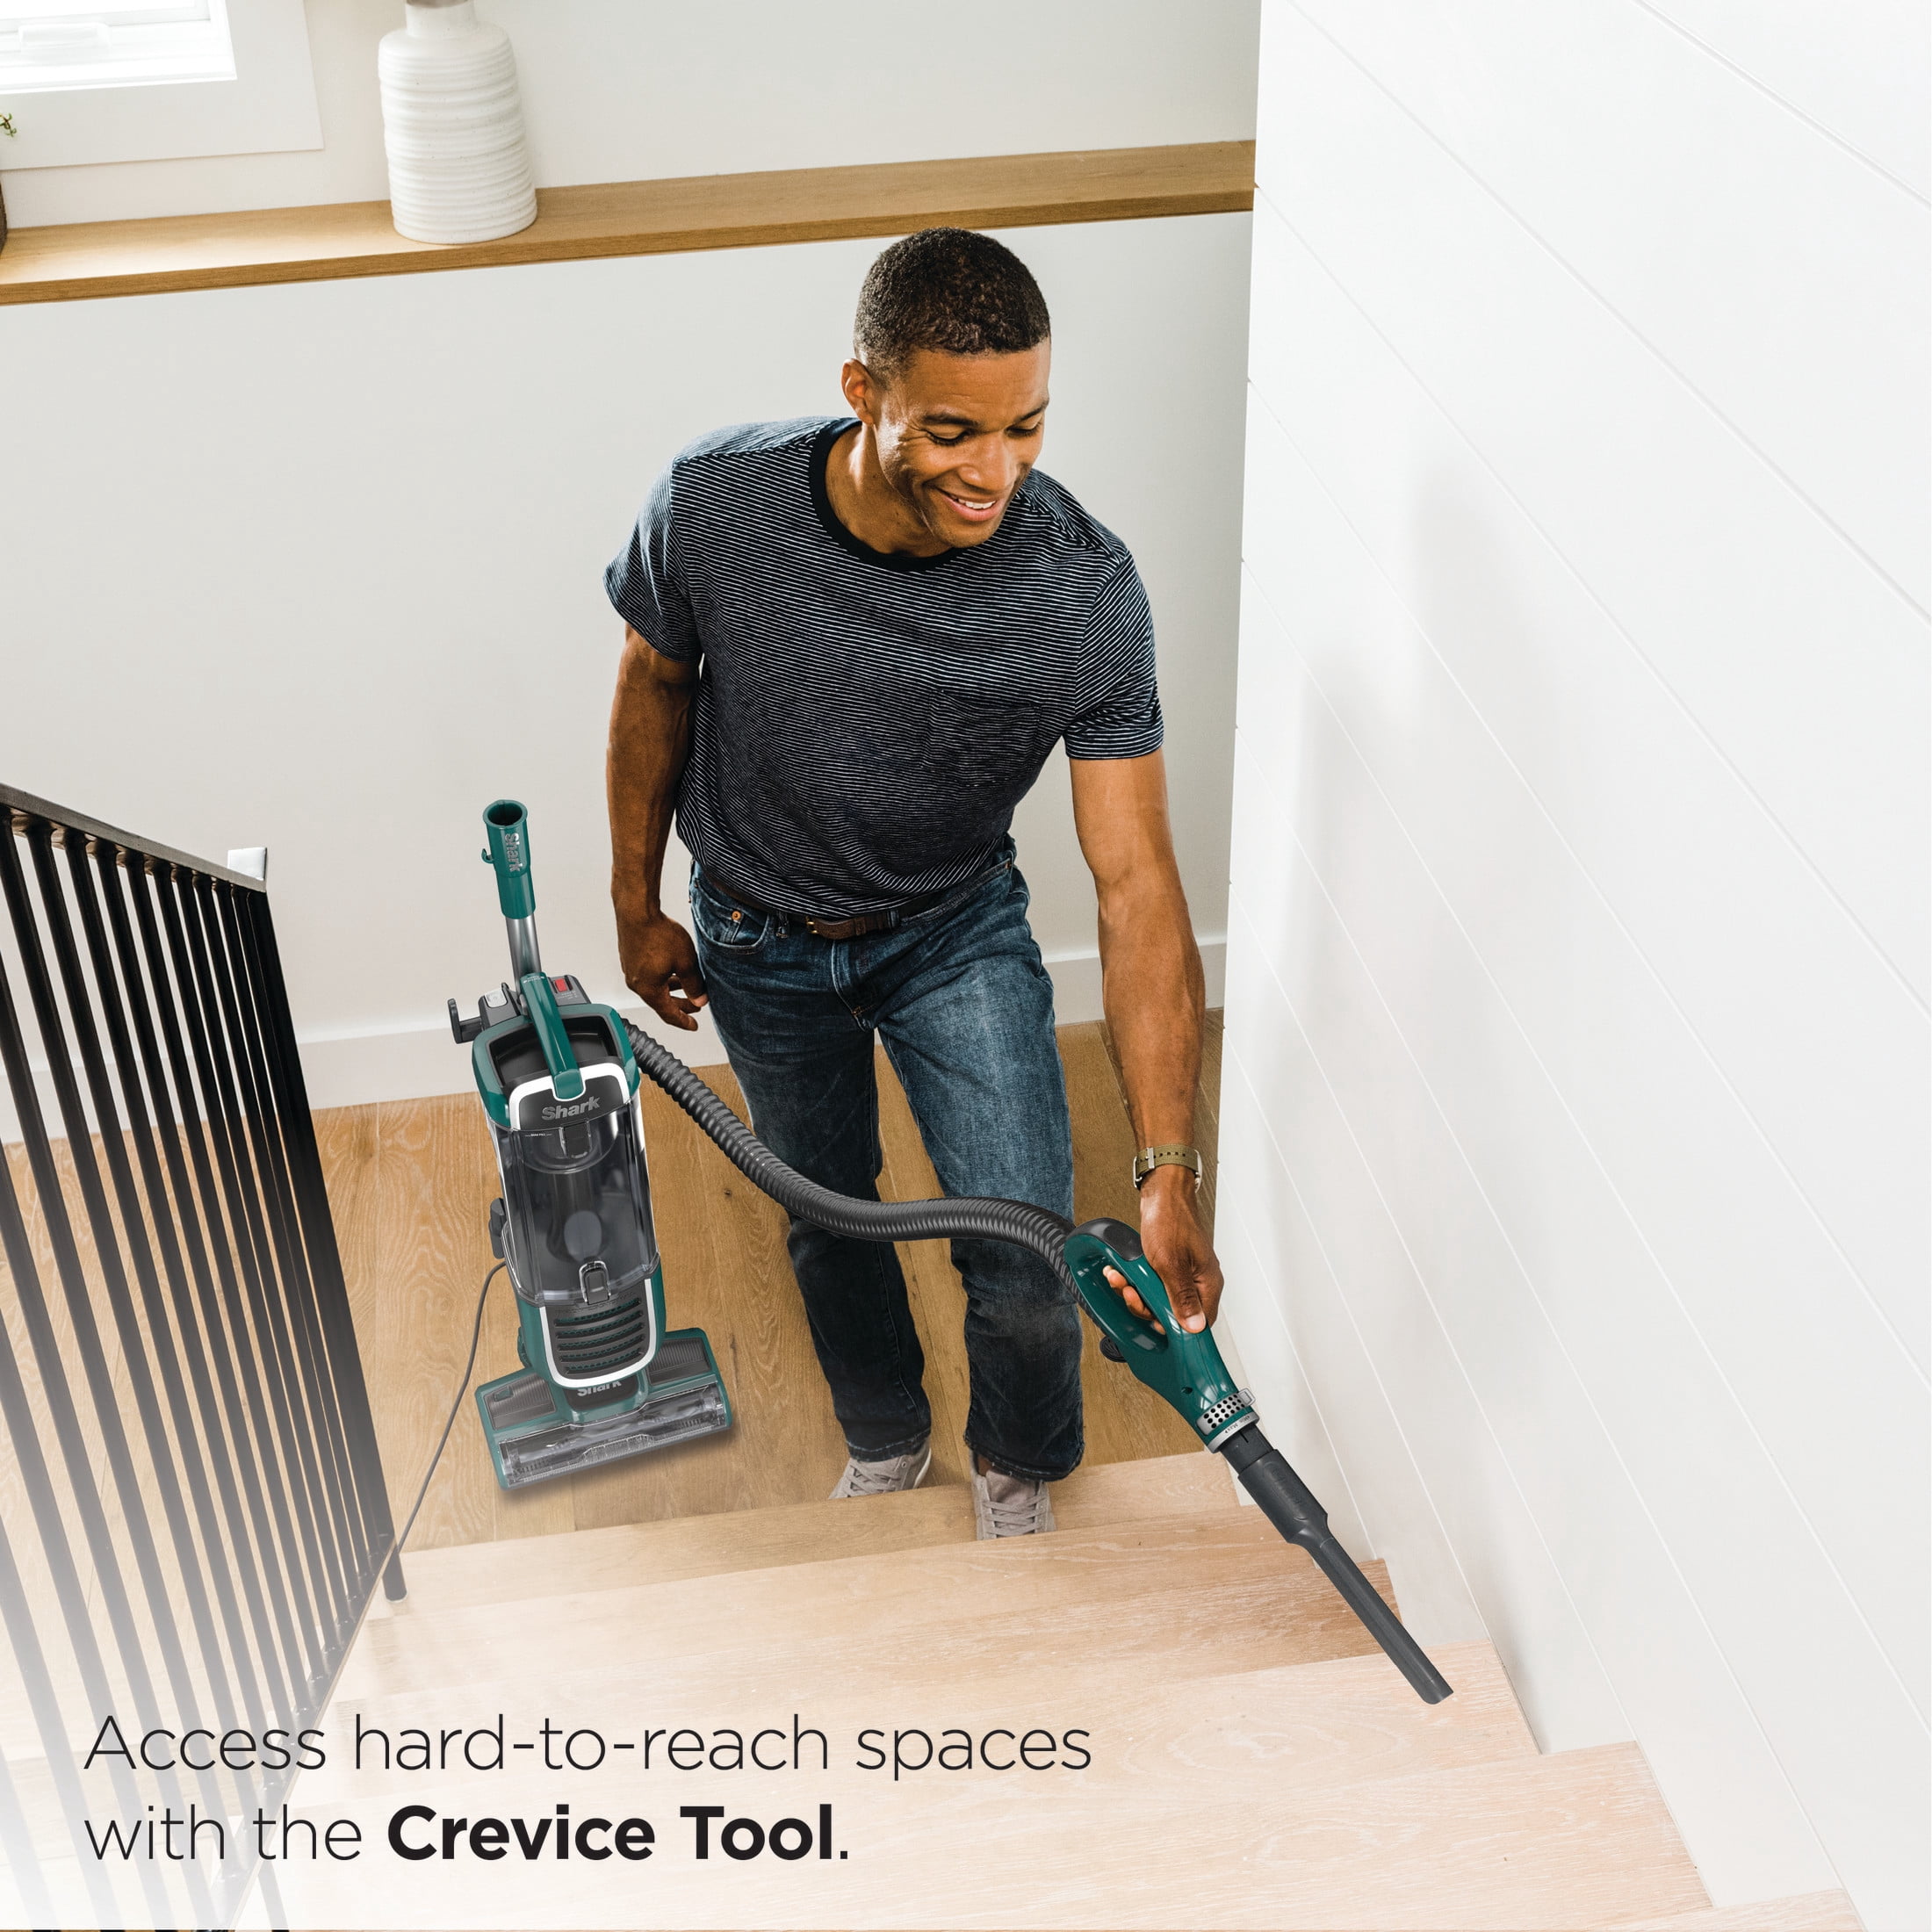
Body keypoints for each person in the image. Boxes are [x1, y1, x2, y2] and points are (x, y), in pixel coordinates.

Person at [604, 227, 1222, 1538]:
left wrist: (1168, 1167)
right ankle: (885, 1441)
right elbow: (654, 682)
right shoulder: (713, 505)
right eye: (952, 432)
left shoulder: (1081, 591)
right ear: (862, 390)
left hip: (952, 928)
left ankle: (1016, 1467)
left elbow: (1135, 879)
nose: (995, 473)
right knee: (828, 1223)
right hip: (754, 932)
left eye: (1026, 428)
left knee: (1029, 1253)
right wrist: (634, 903)